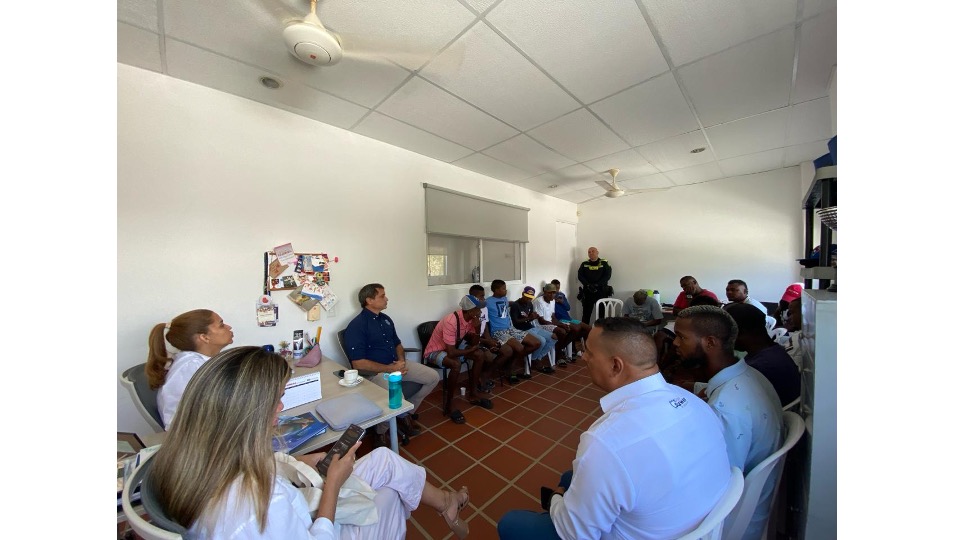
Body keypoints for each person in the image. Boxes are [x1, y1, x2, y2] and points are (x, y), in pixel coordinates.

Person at [147, 346, 470, 539]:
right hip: (313, 522)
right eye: (276, 400)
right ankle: (442, 506)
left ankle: (445, 503)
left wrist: (298, 462)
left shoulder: (191, 451)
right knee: (387, 498)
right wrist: (332, 483)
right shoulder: (260, 502)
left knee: (385, 457)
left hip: (297, 509)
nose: (281, 408)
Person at [497, 318, 731, 540]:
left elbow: (575, 535)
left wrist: (557, 500)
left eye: (589, 351)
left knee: (511, 522)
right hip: (690, 522)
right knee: (570, 476)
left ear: (615, 365)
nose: (583, 356)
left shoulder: (607, 441)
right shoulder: (693, 401)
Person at [672, 306, 783, 540]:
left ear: (710, 343)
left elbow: (715, 486)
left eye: (681, 337)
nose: (674, 343)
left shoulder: (725, 409)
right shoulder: (751, 376)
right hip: (754, 505)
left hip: (728, 522)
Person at [343, 284, 440, 440]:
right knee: (396, 399)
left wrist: (401, 362)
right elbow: (358, 364)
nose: (386, 298)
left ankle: (405, 414)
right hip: (376, 373)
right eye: (382, 296)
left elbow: (397, 344)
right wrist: (389, 369)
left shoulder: (386, 319)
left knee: (432, 377)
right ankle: (380, 431)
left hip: (395, 365)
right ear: (369, 300)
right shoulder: (357, 326)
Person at [145, 309, 234, 428]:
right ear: (204, 337)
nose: (229, 327)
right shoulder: (191, 367)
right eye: (221, 325)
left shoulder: (197, 362)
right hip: (196, 436)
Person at [423, 297, 494, 421]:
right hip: (435, 351)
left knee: (480, 355)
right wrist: (470, 350)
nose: (480, 312)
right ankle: (449, 404)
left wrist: (477, 330)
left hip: (453, 347)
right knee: (455, 363)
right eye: (478, 309)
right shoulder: (451, 321)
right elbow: (451, 353)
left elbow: (474, 343)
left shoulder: (471, 319)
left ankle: (473, 394)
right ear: (470, 310)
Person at [725, 303, 800, 407]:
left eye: (725, 333)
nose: (724, 339)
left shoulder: (760, 367)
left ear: (740, 332)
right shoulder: (771, 352)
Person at [485, 279, 543, 383]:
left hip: (511, 329)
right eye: (503, 289)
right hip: (499, 332)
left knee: (536, 343)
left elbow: (507, 304)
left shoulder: (504, 298)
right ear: (496, 290)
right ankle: (508, 369)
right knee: (519, 348)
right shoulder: (488, 302)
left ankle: (509, 364)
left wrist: (515, 303)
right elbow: (484, 320)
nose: (505, 290)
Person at [463, 285, 513, 389]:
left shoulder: (483, 308)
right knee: (488, 356)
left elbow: (484, 326)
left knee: (507, 351)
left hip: (483, 339)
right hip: (471, 342)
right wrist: (487, 342)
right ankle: (477, 380)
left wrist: (489, 340)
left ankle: (485, 374)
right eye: (481, 297)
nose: (484, 299)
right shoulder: (467, 311)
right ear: (473, 298)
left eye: (484, 296)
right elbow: (468, 337)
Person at [511, 286, 558, 374]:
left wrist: (533, 317)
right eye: (527, 296)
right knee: (542, 341)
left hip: (531, 327)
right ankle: (534, 360)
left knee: (554, 337)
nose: (528, 299)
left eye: (530, 297)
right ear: (522, 294)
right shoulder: (515, 305)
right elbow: (515, 322)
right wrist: (529, 317)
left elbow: (530, 319)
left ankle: (537, 358)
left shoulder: (530, 304)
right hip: (521, 329)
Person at [532, 283, 581, 366]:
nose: (552, 295)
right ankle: (559, 356)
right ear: (545, 292)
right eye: (549, 293)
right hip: (541, 325)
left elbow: (553, 317)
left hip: (550, 323)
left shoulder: (552, 301)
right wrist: (558, 325)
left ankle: (559, 349)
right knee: (561, 331)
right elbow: (541, 321)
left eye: (554, 293)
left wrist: (561, 324)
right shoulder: (538, 301)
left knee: (575, 329)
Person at [550, 279, 590, 359]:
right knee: (576, 328)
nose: (557, 290)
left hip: (569, 318)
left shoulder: (561, 295)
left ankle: (586, 350)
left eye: (558, 288)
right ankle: (567, 348)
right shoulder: (550, 298)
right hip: (561, 319)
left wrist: (562, 302)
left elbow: (568, 308)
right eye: (555, 288)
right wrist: (554, 301)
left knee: (588, 328)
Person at [577, 247, 612, 324]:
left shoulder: (604, 263)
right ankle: (585, 334)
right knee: (586, 314)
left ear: (597, 252)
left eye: (593, 251)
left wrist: (597, 285)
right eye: (589, 252)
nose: (591, 253)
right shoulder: (584, 264)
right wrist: (588, 285)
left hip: (601, 292)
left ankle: (600, 333)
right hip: (588, 292)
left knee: (602, 314)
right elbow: (580, 276)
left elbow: (607, 276)